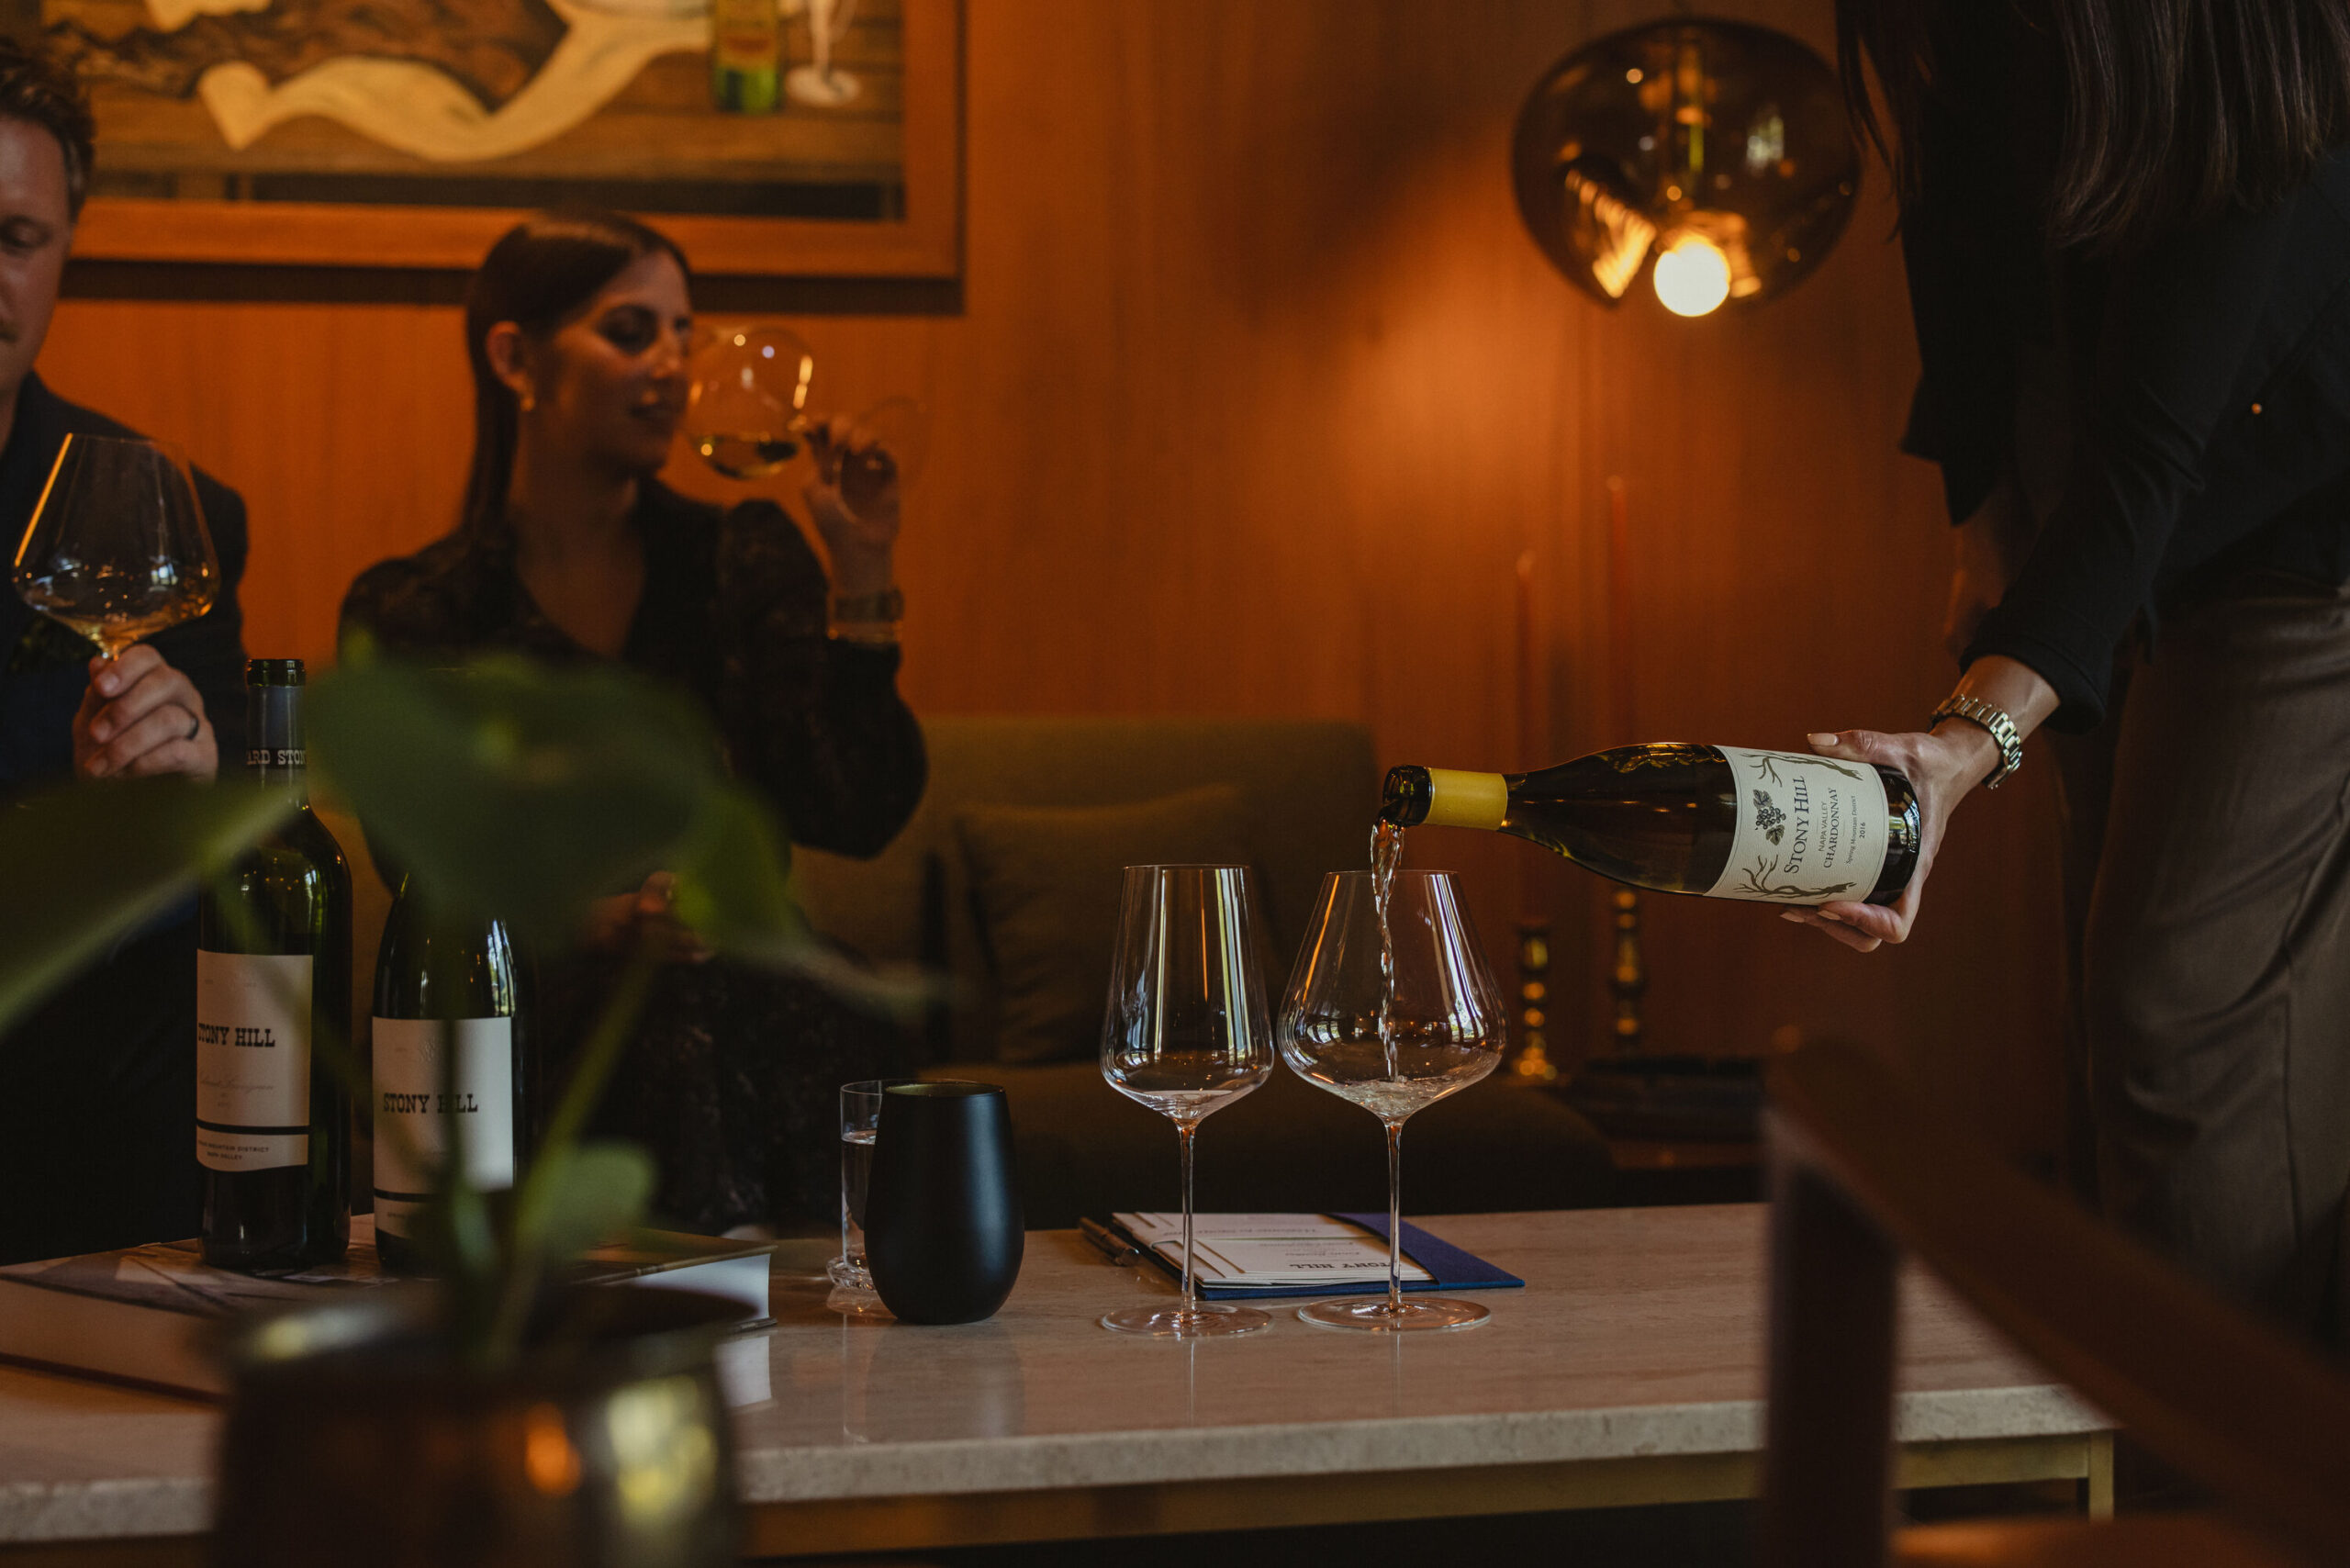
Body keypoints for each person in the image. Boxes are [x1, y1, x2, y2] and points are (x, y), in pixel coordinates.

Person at [1812, 0, 2350, 1338]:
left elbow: (2150, 447)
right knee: (2108, 1030)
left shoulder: (2251, 45)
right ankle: (2134, 1478)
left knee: (2171, 1012)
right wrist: (1991, 547)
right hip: (2089, 527)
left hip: (2303, 533)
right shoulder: (1969, 30)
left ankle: (2246, 1499)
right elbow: (1957, 257)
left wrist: (1957, 748)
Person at [340, 210, 925, 1235]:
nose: (671, 364)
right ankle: (698, 1336)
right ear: (516, 357)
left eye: (682, 334)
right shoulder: (419, 610)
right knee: (653, 1016)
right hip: (543, 999)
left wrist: (863, 570)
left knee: (768, 1004)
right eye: (630, 331)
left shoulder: (739, 555)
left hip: (749, 987)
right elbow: (426, 871)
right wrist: (611, 921)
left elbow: (854, 808)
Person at [0, 40, 252, 1263]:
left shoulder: (153, 515)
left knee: (183, 992)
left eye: (15, 238)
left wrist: (188, 811)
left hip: (69, 1052)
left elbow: (240, 856)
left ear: (64, 252)